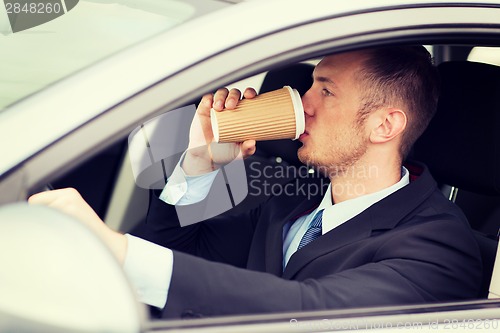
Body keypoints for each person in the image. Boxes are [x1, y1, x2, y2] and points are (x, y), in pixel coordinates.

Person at [29, 46, 482, 319]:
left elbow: (309, 311)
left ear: (385, 125)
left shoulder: (439, 246)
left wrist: (118, 250)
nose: (303, 103)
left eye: (326, 90)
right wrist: (200, 163)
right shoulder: (294, 199)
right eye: (311, 85)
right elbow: (177, 252)